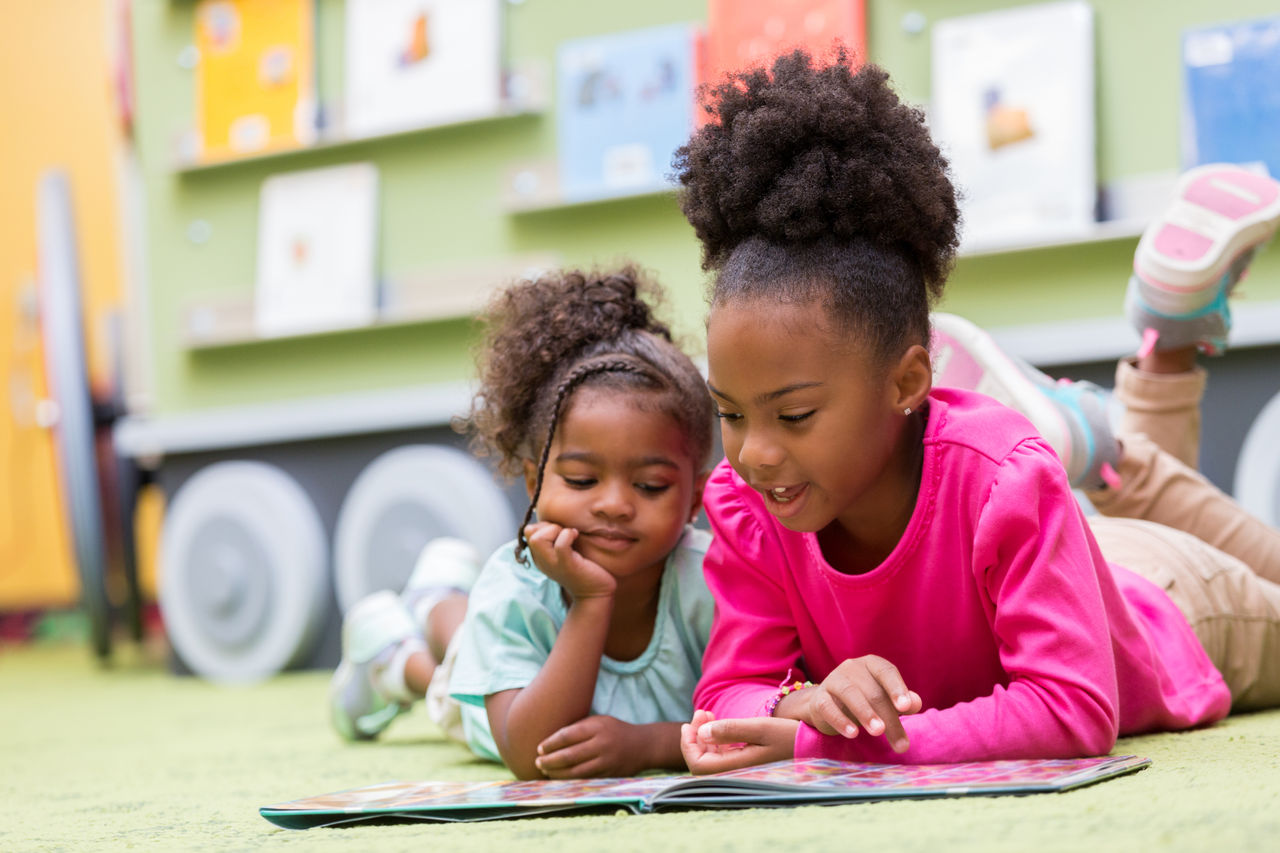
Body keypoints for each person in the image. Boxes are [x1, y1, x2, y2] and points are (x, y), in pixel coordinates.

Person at [673, 48, 1280, 771]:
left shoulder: (1006, 480)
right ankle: (1151, 367)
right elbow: (731, 689)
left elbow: (1072, 708)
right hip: (1050, 563)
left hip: (1170, 605)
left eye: (795, 415)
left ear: (907, 383)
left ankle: (1156, 365)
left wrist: (843, 743)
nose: (753, 453)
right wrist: (792, 703)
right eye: (732, 414)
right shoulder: (751, 506)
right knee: (1078, 506)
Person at [329, 266, 718, 780]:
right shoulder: (516, 585)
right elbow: (528, 754)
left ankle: (433, 596)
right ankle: (394, 657)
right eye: (581, 480)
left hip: (500, 640)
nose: (615, 504)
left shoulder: (714, 579)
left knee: (469, 638)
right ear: (535, 482)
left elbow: (748, 713)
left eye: (649, 486)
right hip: (500, 715)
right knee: (448, 686)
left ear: (695, 497)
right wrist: (590, 599)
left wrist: (650, 745)